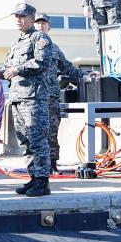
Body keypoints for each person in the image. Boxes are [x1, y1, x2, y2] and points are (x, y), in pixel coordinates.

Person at [0, 3, 53, 197]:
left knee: (37, 140)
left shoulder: (39, 38)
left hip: (33, 98)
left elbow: (42, 63)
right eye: (16, 16)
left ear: (32, 17)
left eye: (22, 16)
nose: (19, 19)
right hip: (17, 97)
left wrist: (18, 69)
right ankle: (34, 177)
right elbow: (10, 69)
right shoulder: (17, 43)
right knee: (25, 140)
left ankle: (43, 182)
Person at [34, 13, 86, 173]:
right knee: (35, 132)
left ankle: (52, 164)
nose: (41, 26)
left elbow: (67, 67)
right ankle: (37, 166)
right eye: (38, 23)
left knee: (52, 132)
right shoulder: (28, 45)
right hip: (34, 97)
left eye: (44, 23)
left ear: (49, 27)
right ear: (33, 25)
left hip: (51, 97)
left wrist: (84, 74)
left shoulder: (54, 48)